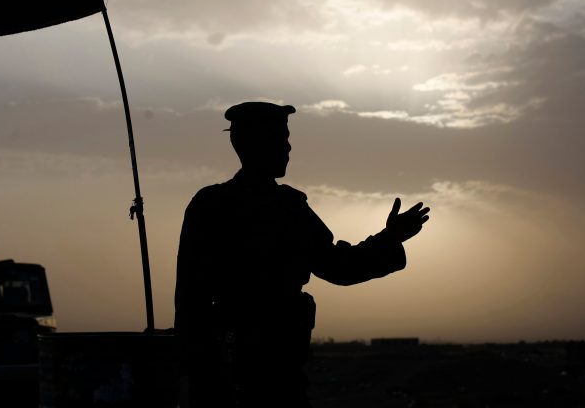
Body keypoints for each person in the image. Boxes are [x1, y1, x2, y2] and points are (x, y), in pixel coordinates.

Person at [174, 101, 430, 407]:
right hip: (229, 374)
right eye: (279, 139)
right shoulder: (215, 207)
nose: (288, 148)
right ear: (252, 144)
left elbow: (337, 266)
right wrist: (193, 369)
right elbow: (191, 299)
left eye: (287, 138)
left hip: (281, 376)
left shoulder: (287, 207)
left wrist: (391, 237)